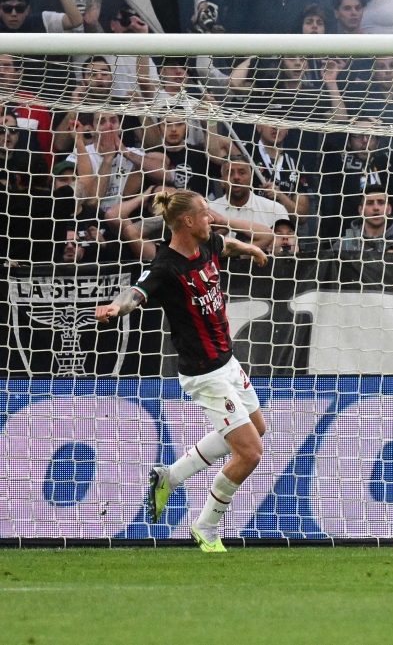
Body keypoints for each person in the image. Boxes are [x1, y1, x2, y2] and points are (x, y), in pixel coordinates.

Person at [95, 189, 269, 553]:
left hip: (228, 361)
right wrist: (116, 307)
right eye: (206, 213)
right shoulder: (166, 266)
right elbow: (137, 292)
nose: (212, 218)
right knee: (250, 452)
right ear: (187, 221)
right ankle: (206, 526)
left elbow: (227, 245)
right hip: (204, 372)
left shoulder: (205, 244)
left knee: (258, 429)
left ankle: (169, 476)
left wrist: (251, 249)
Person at [209, 156, 288, 248]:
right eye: (230, 173)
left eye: (242, 173)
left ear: (251, 179)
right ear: (222, 181)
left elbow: (287, 247)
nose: (236, 177)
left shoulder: (275, 209)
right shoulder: (209, 210)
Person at [336, 185, 393, 253]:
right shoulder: (343, 245)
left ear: (389, 209)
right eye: (370, 203)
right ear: (361, 210)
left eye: (381, 203)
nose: (376, 208)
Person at [0, 0, 82, 33]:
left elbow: (76, 21)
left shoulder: (43, 21)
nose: (13, 13)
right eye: (7, 9)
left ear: (27, 10)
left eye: (19, 9)